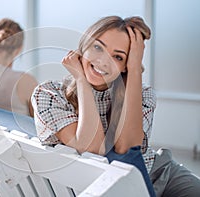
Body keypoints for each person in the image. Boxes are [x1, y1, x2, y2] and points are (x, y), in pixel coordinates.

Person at [31, 15, 200, 197]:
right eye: (97, 47)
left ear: (125, 66)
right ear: (84, 46)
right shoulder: (48, 94)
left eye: (118, 57)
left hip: (158, 171)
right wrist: (81, 80)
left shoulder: (143, 94)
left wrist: (135, 68)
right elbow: (93, 148)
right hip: (120, 187)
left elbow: (127, 148)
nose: (104, 61)